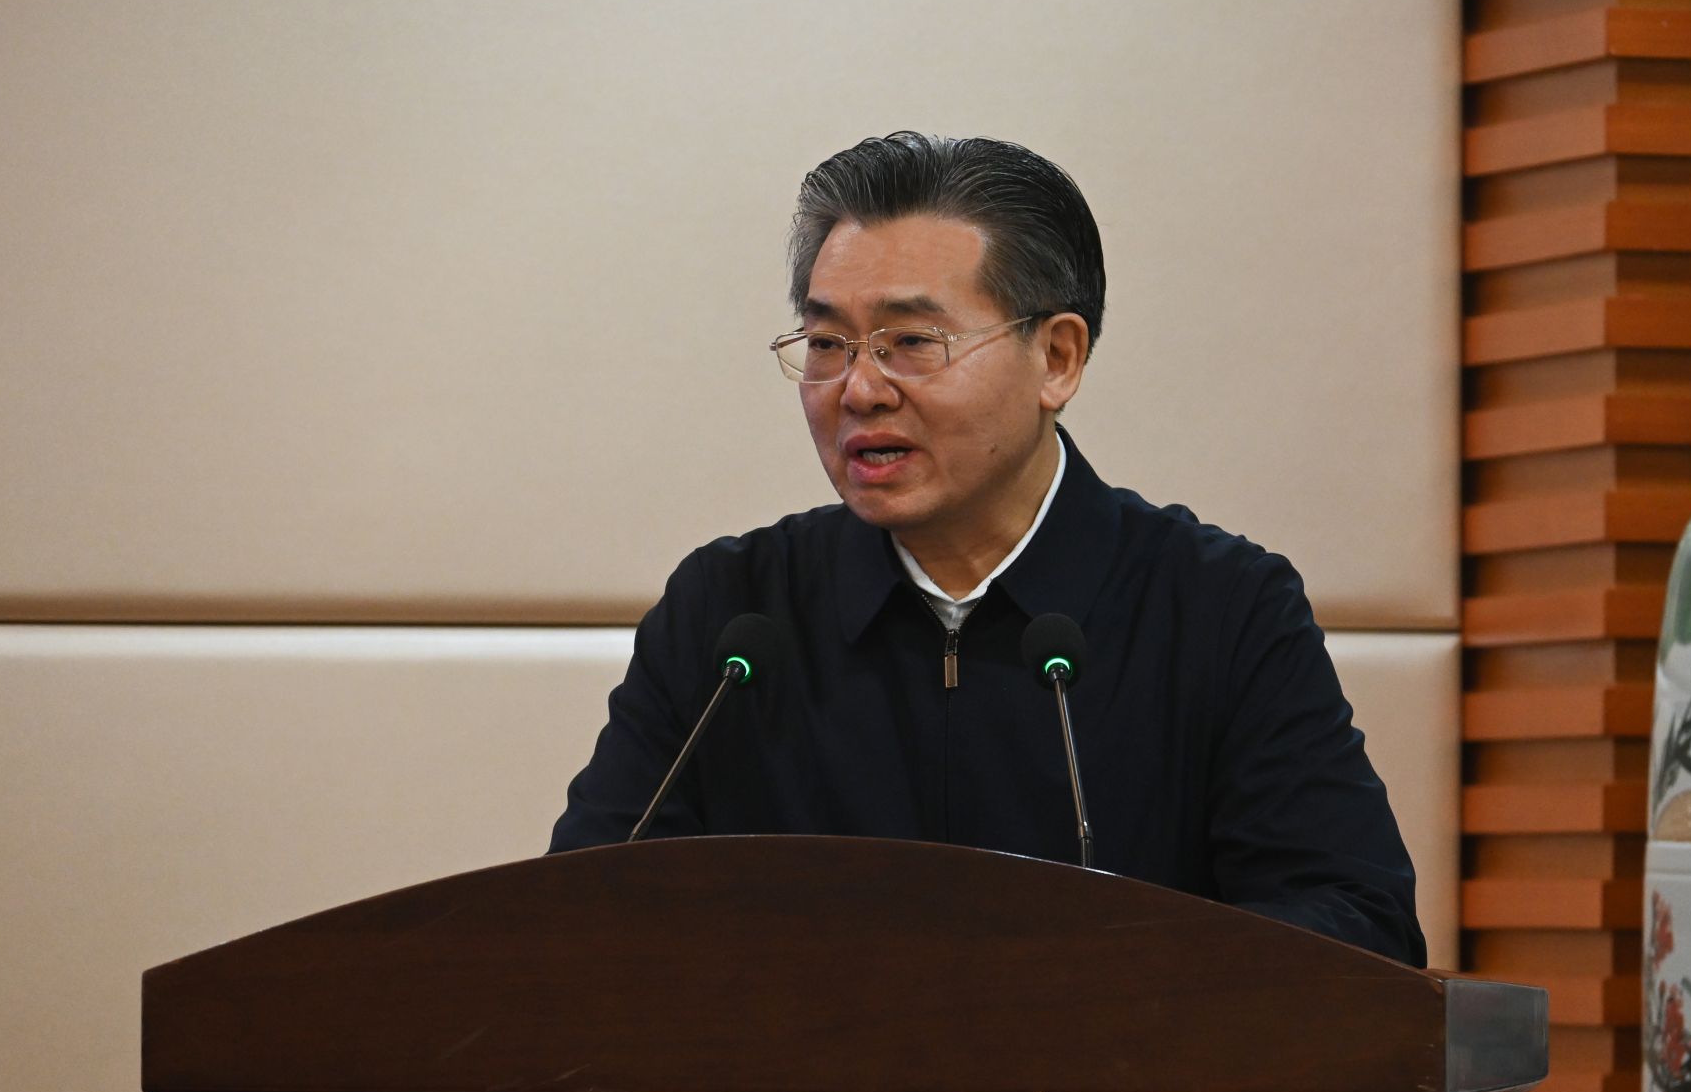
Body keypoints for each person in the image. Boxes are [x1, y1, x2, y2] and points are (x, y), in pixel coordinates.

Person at [549, 132, 1424, 965]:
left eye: (911, 342)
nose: (859, 388)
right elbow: (576, 923)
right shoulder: (734, 616)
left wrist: (1087, 991)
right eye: (827, 343)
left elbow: (1356, 930)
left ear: (1058, 358)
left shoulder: (1216, 608)